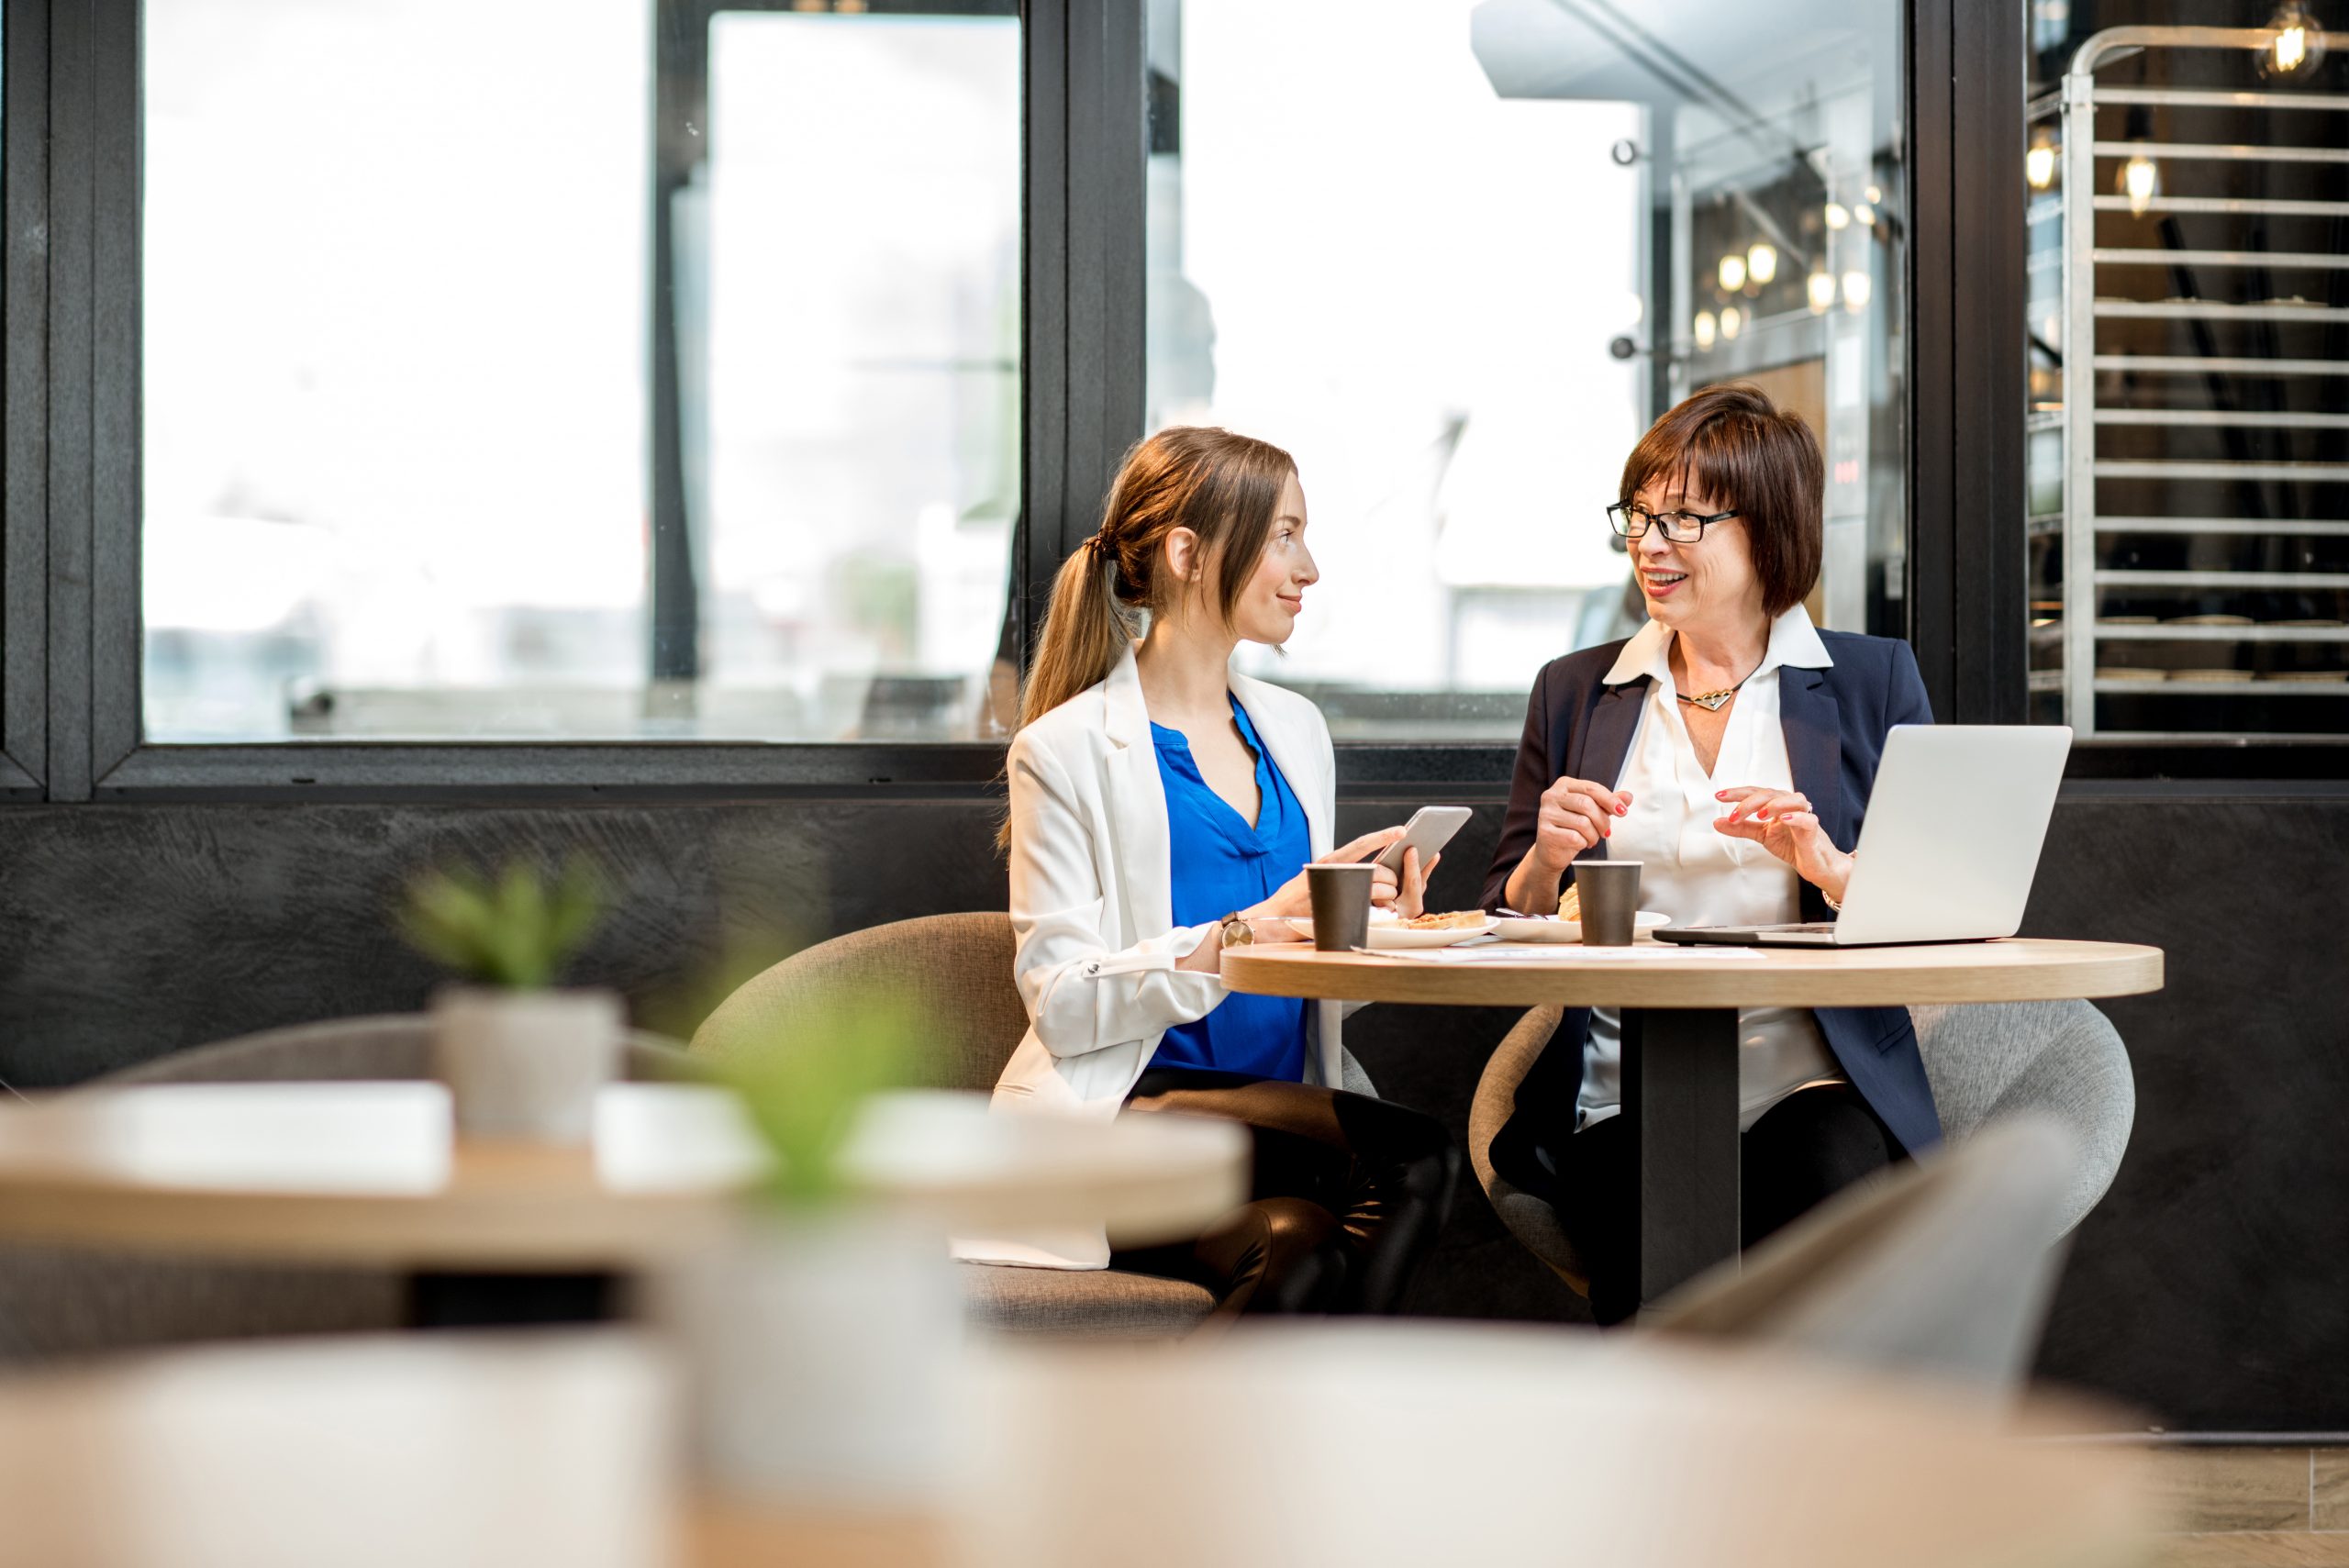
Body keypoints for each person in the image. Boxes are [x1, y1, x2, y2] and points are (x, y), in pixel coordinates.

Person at [961, 426, 1460, 1318]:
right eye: (1283, 534)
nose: (1307, 567)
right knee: (1410, 1157)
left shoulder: (1295, 730)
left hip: (1275, 1118)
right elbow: (1064, 1001)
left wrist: (1371, 926)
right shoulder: (1065, 748)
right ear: (1188, 552)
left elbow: (1305, 970)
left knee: (1298, 1246)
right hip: (1132, 1113)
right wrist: (1239, 931)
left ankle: (1215, 1450)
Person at [1479, 383, 1940, 1325]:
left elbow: (1937, 916)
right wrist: (1542, 861)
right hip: (1620, 1090)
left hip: (1812, 1080)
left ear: (1766, 529)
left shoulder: (1868, 681)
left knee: (1823, 1207)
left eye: (1683, 517)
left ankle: (1805, 1465)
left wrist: (1828, 865)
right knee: (1657, 1228)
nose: (1649, 543)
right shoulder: (1576, 692)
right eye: (1639, 515)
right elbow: (1501, 920)